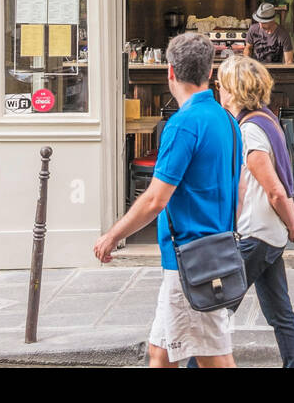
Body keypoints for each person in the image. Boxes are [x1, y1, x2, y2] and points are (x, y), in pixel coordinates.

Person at [93, 32, 241, 368]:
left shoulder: (183, 125)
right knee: (160, 355)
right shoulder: (227, 121)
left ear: (170, 72)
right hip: (210, 251)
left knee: (215, 359)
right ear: (210, 71)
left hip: (190, 258)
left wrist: (114, 235)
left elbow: (155, 199)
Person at [216, 55, 294, 367]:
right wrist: (289, 227)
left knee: (214, 315)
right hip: (268, 236)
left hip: (253, 237)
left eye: (222, 84)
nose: (218, 90)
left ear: (234, 90)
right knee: (281, 314)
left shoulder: (250, 131)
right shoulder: (266, 119)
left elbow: (274, 190)